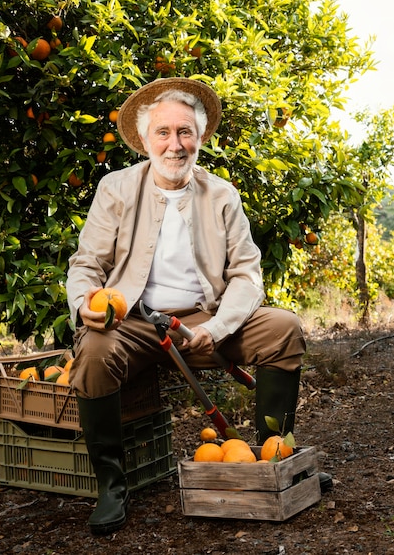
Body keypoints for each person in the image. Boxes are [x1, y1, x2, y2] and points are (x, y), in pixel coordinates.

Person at [66, 77, 307, 536]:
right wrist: (84, 306)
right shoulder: (115, 189)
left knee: (283, 328)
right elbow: (86, 263)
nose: (174, 145)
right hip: (132, 322)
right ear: (144, 139)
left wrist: (216, 327)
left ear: (200, 138)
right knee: (93, 353)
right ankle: (111, 486)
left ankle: (273, 459)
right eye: (163, 132)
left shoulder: (221, 195)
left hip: (203, 320)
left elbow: (246, 275)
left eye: (185, 133)